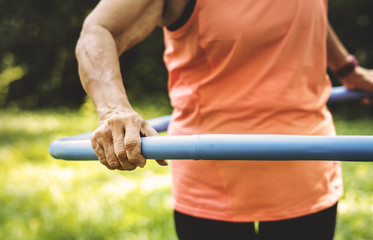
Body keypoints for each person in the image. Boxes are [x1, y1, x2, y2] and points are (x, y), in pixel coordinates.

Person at [75, 0, 373, 239]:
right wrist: (114, 109)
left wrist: (347, 70)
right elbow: (99, 30)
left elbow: (309, 13)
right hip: (212, 176)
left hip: (307, 166)